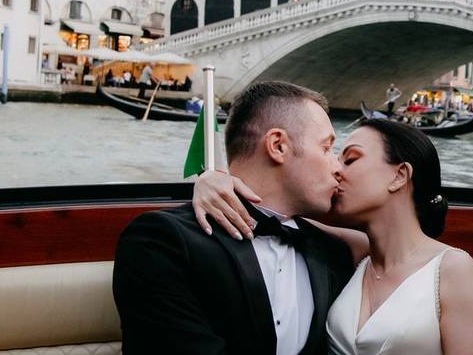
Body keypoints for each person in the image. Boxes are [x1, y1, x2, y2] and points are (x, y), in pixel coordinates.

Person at [192, 118, 473, 354]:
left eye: (350, 159)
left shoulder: (453, 268)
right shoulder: (350, 252)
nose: (336, 170)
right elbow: (275, 212)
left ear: (399, 176)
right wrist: (213, 180)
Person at [113, 81, 354, 354]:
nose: (338, 168)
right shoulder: (162, 241)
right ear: (278, 145)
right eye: (326, 148)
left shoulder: (333, 252)